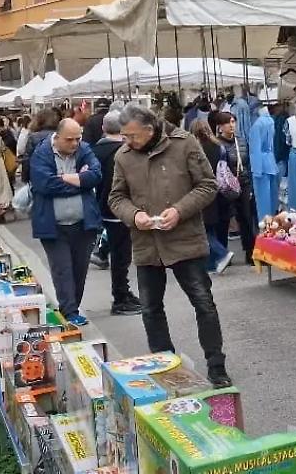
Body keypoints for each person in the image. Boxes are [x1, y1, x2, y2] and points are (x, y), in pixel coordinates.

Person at [107, 104, 231, 387]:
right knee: (150, 308)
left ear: (150, 129)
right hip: (147, 243)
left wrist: (179, 210)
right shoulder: (123, 156)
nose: (128, 141)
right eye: (125, 136)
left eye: (133, 136)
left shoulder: (184, 144)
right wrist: (134, 216)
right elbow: (116, 197)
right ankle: (166, 367)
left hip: (185, 239)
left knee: (203, 303)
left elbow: (207, 185)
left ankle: (216, 365)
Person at [28, 119, 102, 325]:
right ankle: (69, 311)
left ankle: (72, 308)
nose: (74, 143)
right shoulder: (42, 153)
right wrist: (79, 181)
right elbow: (45, 184)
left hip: (83, 224)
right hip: (53, 226)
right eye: (69, 139)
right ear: (57, 137)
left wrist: (63, 177)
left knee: (79, 270)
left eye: (78, 138)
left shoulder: (84, 150)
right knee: (63, 270)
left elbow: (96, 175)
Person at [90, 110, 145, 315]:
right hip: (120, 209)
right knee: (122, 256)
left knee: (119, 254)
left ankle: (123, 293)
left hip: (103, 206)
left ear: (103, 128)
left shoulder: (94, 151)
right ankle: (121, 296)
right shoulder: (122, 152)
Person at [190, 119, 234, 274]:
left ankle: (222, 253)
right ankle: (211, 264)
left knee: (203, 229)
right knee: (211, 228)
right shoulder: (219, 147)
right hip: (220, 192)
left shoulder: (195, 149)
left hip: (202, 191)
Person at [214, 111, 258, 266]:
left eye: (233, 121)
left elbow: (248, 163)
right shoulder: (217, 144)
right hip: (226, 187)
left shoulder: (241, 141)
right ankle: (223, 255)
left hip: (243, 183)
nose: (231, 125)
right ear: (220, 126)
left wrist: (250, 185)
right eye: (227, 122)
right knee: (224, 220)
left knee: (246, 218)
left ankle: (251, 252)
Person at [248, 105, 278, 221]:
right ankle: (273, 224)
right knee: (272, 199)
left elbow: (255, 148)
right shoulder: (270, 121)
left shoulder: (257, 125)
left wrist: (256, 169)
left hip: (260, 164)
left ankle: (264, 225)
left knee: (262, 201)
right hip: (271, 162)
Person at [21, 108, 60, 183]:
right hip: (58, 174)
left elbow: (27, 159)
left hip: (38, 176)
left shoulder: (33, 137)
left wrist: (25, 178)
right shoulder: (60, 135)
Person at [0, 116, 18, 191]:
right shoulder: (8, 133)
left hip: (6, 161)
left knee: (6, 183)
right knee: (9, 183)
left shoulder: (2, 135)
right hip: (10, 161)